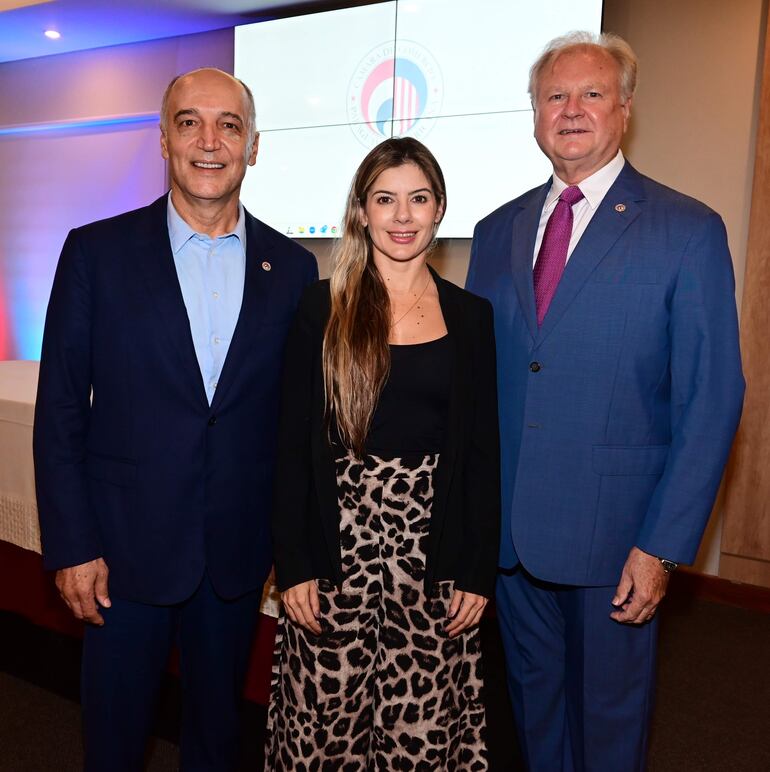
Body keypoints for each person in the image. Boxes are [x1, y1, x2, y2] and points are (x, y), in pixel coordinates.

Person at [466, 31, 744, 771]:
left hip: (616, 544)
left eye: (592, 94)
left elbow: (713, 401)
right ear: (534, 114)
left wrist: (661, 546)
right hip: (510, 542)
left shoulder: (687, 230)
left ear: (625, 110)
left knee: (609, 733)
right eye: (555, 96)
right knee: (535, 718)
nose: (572, 110)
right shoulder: (495, 232)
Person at [33, 67, 317, 771]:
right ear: (164, 139)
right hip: (120, 557)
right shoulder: (95, 253)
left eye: (230, 125)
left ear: (255, 146)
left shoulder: (296, 268)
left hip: (234, 558)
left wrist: (293, 543)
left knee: (216, 740)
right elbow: (62, 408)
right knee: (115, 741)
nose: (210, 141)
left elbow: (296, 425)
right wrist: (70, 543)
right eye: (190, 122)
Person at [265, 137, 499, 770]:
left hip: (434, 556)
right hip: (334, 550)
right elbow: (291, 445)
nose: (402, 216)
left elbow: (481, 454)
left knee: (418, 732)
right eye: (386, 199)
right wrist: (294, 564)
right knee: (327, 728)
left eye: (418, 199)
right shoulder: (322, 307)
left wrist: (477, 569)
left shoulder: (472, 317)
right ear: (361, 211)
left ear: (440, 208)